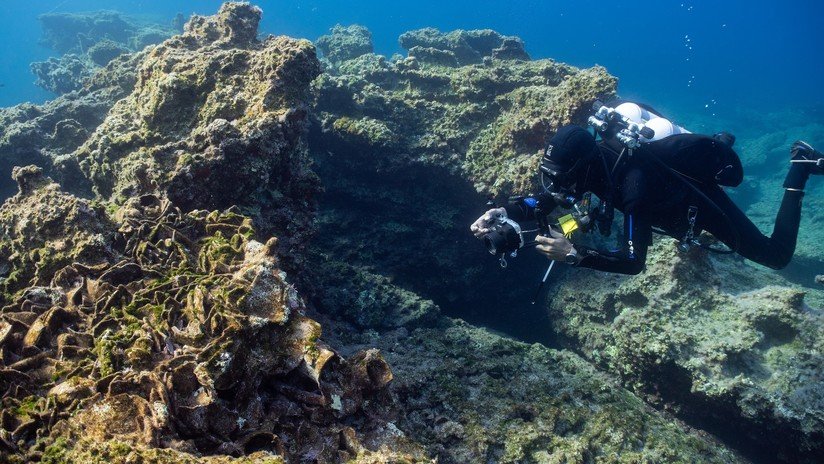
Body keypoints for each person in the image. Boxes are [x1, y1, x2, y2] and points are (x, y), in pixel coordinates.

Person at [470, 104, 824, 275]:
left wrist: (575, 254)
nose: (555, 186)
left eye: (560, 178)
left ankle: (800, 167)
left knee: (775, 256)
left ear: (581, 167)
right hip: (660, 194)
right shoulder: (591, 165)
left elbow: (633, 261)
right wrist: (503, 212)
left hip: (694, 203)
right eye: (551, 176)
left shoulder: (633, 186)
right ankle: (719, 141)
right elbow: (547, 199)